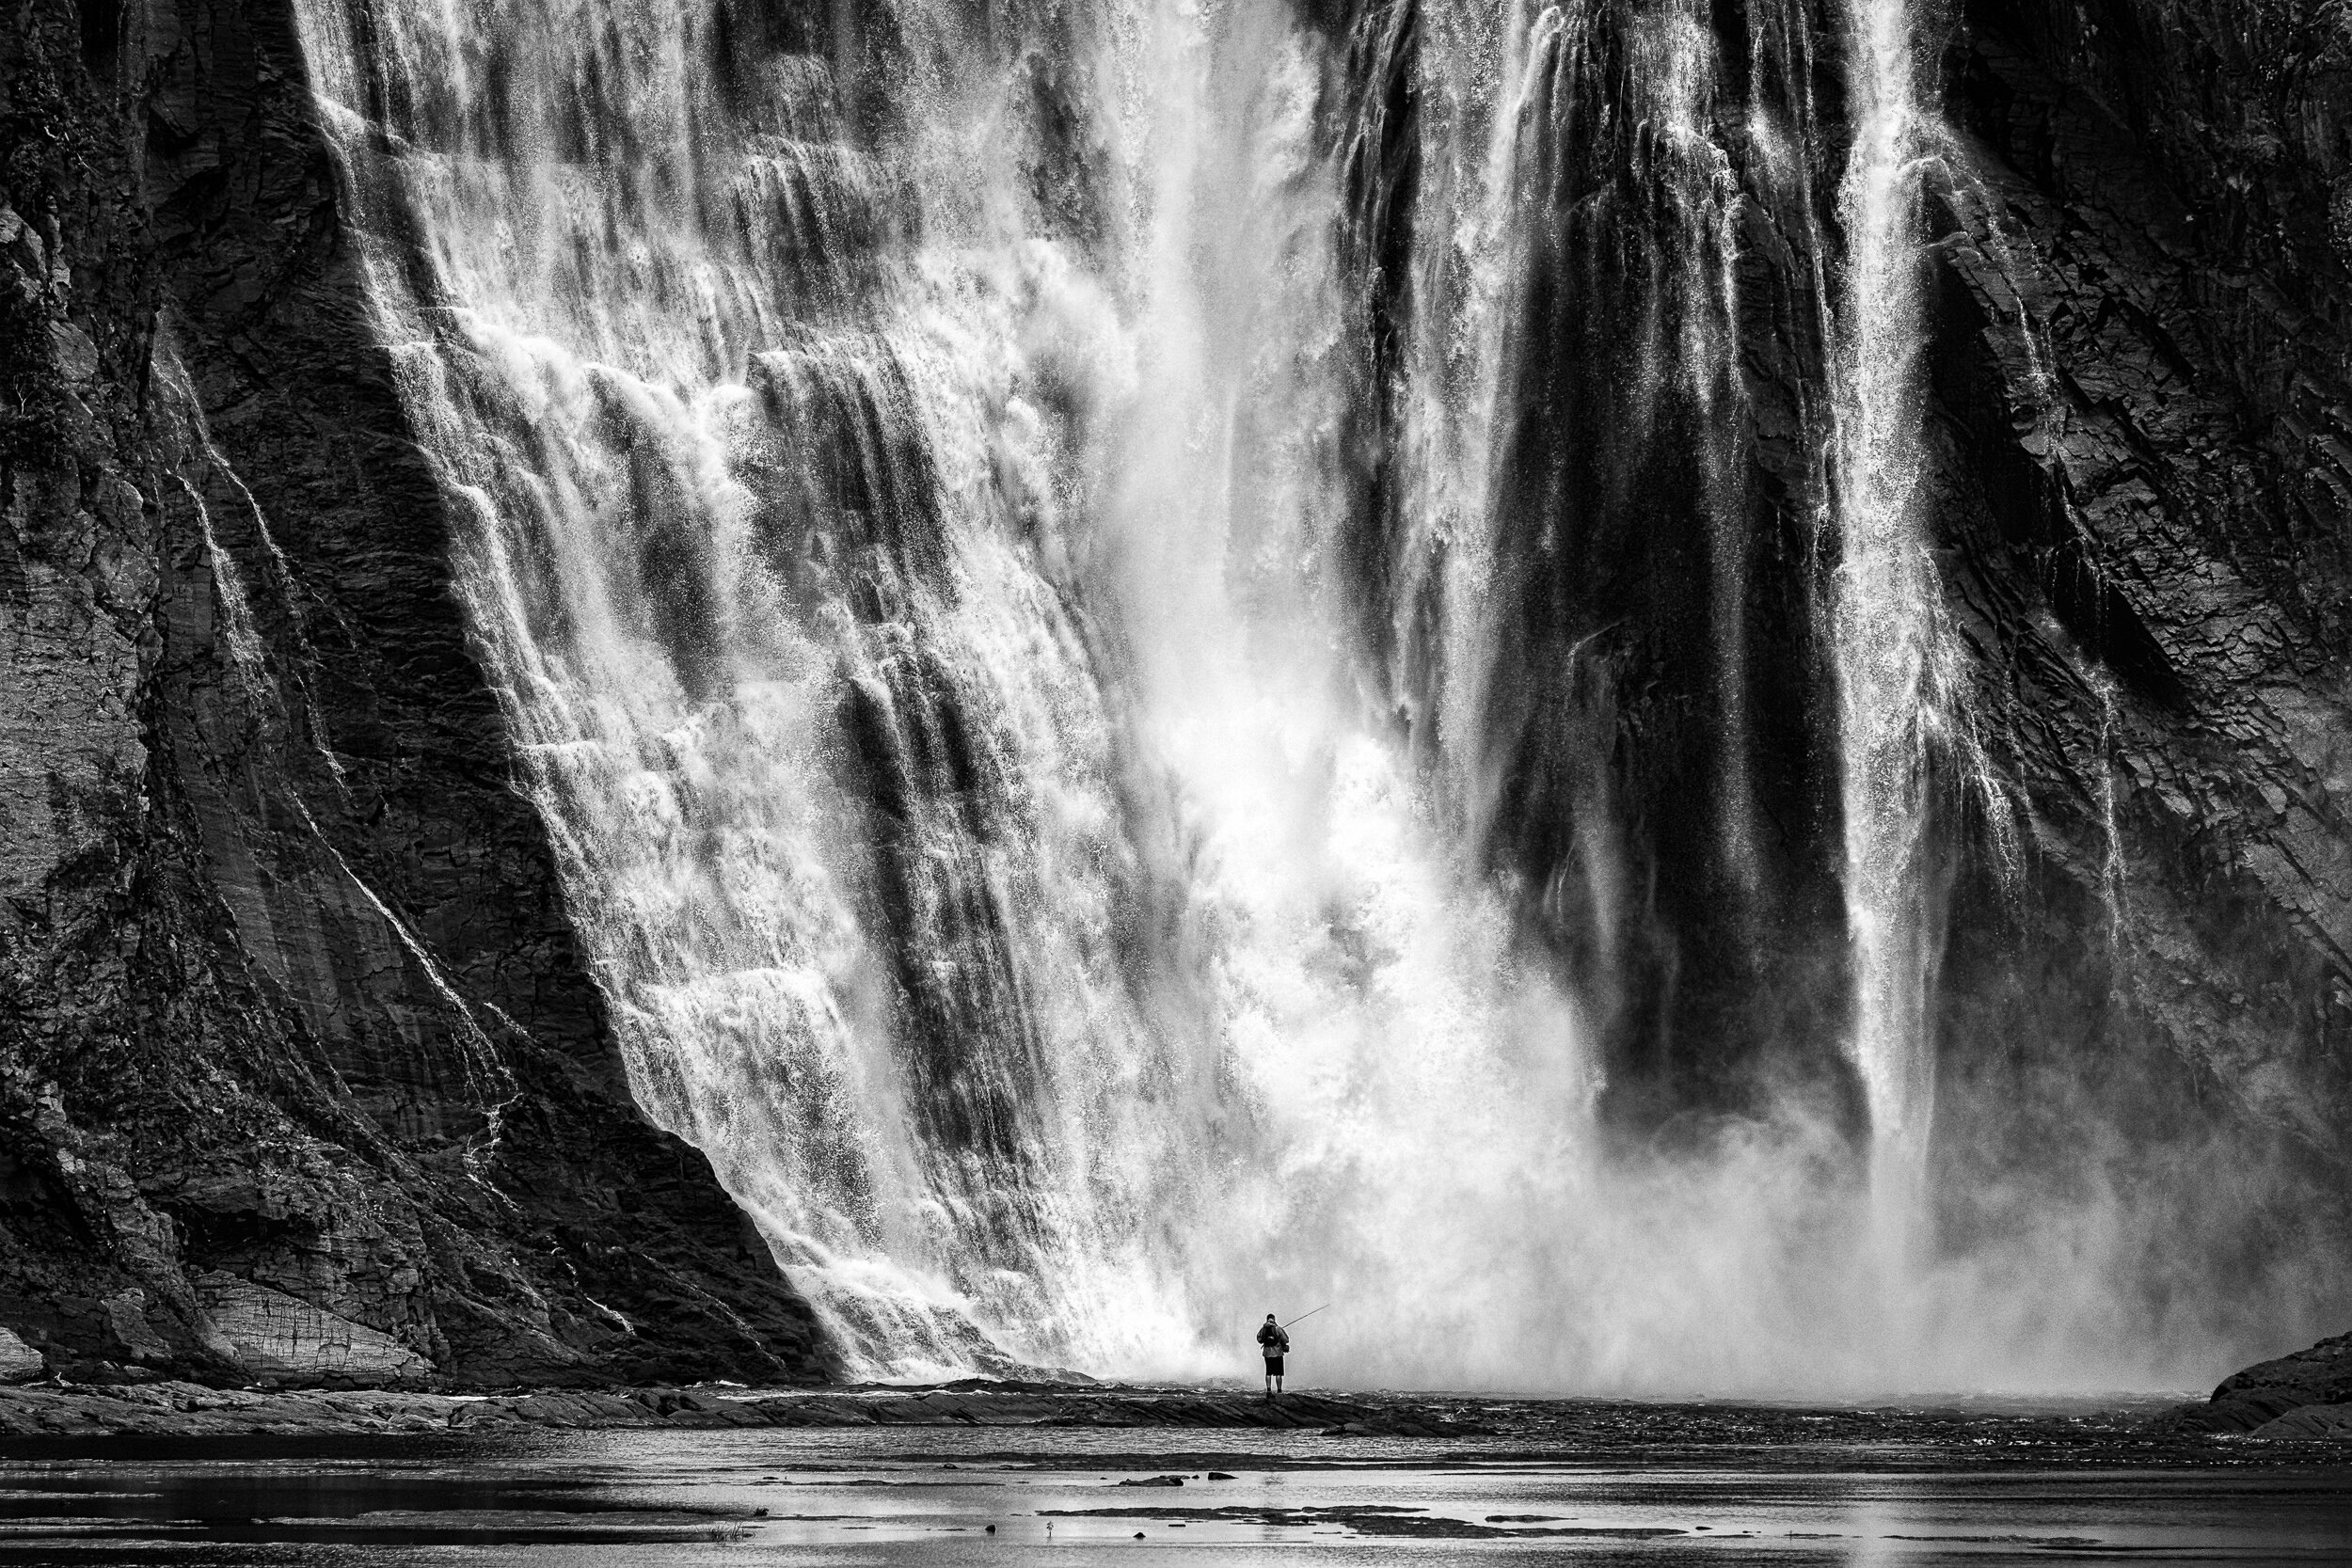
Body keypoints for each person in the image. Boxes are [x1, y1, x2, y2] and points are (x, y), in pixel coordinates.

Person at [1256, 1312, 1289, 1398]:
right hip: (1277, 1354)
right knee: (1278, 1373)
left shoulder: (1263, 1329)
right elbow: (1286, 1339)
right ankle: (1279, 1391)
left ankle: (1269, 1390)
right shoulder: (1278, 1329)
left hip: (1267, 1354)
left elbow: (1259, 1339)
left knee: (1268, 1372)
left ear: (1267, 1320)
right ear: (1274, 1319)